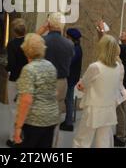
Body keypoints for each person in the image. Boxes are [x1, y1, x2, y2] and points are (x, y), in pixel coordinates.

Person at [73, 35, 122, 148]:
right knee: (104, 141)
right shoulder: (118, 67)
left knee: (83, 139)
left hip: (93, 108)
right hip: (109, 108)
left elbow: (83, 84)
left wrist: (81, 86)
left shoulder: (95, 67)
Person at [14, 33, 59, 148]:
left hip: (34, 121)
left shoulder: (28, 70)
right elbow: (55, 92)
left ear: (26, 50)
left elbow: (26, 100)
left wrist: (18, 126)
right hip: (51, 118)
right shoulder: (51, 66)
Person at [37, 12, 74, 146]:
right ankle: (53, 143)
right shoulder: (69, 44)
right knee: (56, 115)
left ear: (49, 24)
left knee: (40, 112)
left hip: (43, 80)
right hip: (61, 82)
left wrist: (41, 30)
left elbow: (28, 48)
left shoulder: (42, 41)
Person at [5, 18, 28, 147]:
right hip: (27, 79)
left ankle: (14, 137)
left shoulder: (12, 44)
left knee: (14, 109)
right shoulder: (29, 42)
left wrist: (6, 68)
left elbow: (11, 64)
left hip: (15, 80)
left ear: (14, 31)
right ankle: (24, 135)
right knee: (26, 109)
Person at [60, 28, 83, 132]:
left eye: (67, 37)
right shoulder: (76, 47)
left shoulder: (75, 50)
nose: (66, 38)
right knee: (68, 99)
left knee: (68, 100)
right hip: (72, 77)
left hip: (70, 78)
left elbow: (68, 62)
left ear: (71, 38)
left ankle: (68, 123)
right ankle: (68, 121)